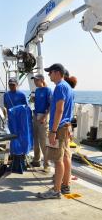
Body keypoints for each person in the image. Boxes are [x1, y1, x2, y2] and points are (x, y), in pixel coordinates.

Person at [37, 63, 74, 199]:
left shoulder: (59, 87)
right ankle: (65, 185)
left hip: (58, 128)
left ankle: (56, 190)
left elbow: (59, 110)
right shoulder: (69, 87)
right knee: (65, 157)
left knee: (57, 160)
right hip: (65, 127)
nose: (48, 75)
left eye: (50, 72)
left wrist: (52, 131)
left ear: (57, 72)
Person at [30, 74, 52, 172]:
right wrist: (34, 100)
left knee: (43, 141)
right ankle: (36, 160)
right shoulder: (37, 91)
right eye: (34, 80)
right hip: (35, 115)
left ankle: (47, 164)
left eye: (36, 80)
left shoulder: (48, 90)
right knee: (35, 139)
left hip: (43, 116)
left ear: (42, 80)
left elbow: (51, 105)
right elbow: (37, 102)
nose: (35, 82)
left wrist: (44, 117)